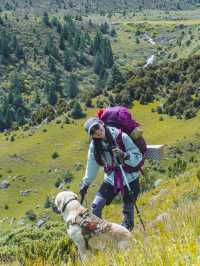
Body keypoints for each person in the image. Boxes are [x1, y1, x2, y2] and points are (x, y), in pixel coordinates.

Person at [79, 117, 143, 231]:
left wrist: (125, 155)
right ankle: (101, 233)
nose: (97, 132)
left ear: (101, 124)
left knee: (128, 211)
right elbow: (91, 166)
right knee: (96, 207)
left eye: (97, 127)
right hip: (111, 178)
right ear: (92, 136)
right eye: (93, 132)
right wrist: (85, 184)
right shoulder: (94, 146)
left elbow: (138, 157)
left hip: (130, 177)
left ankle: (125, 234)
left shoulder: (121, 137)